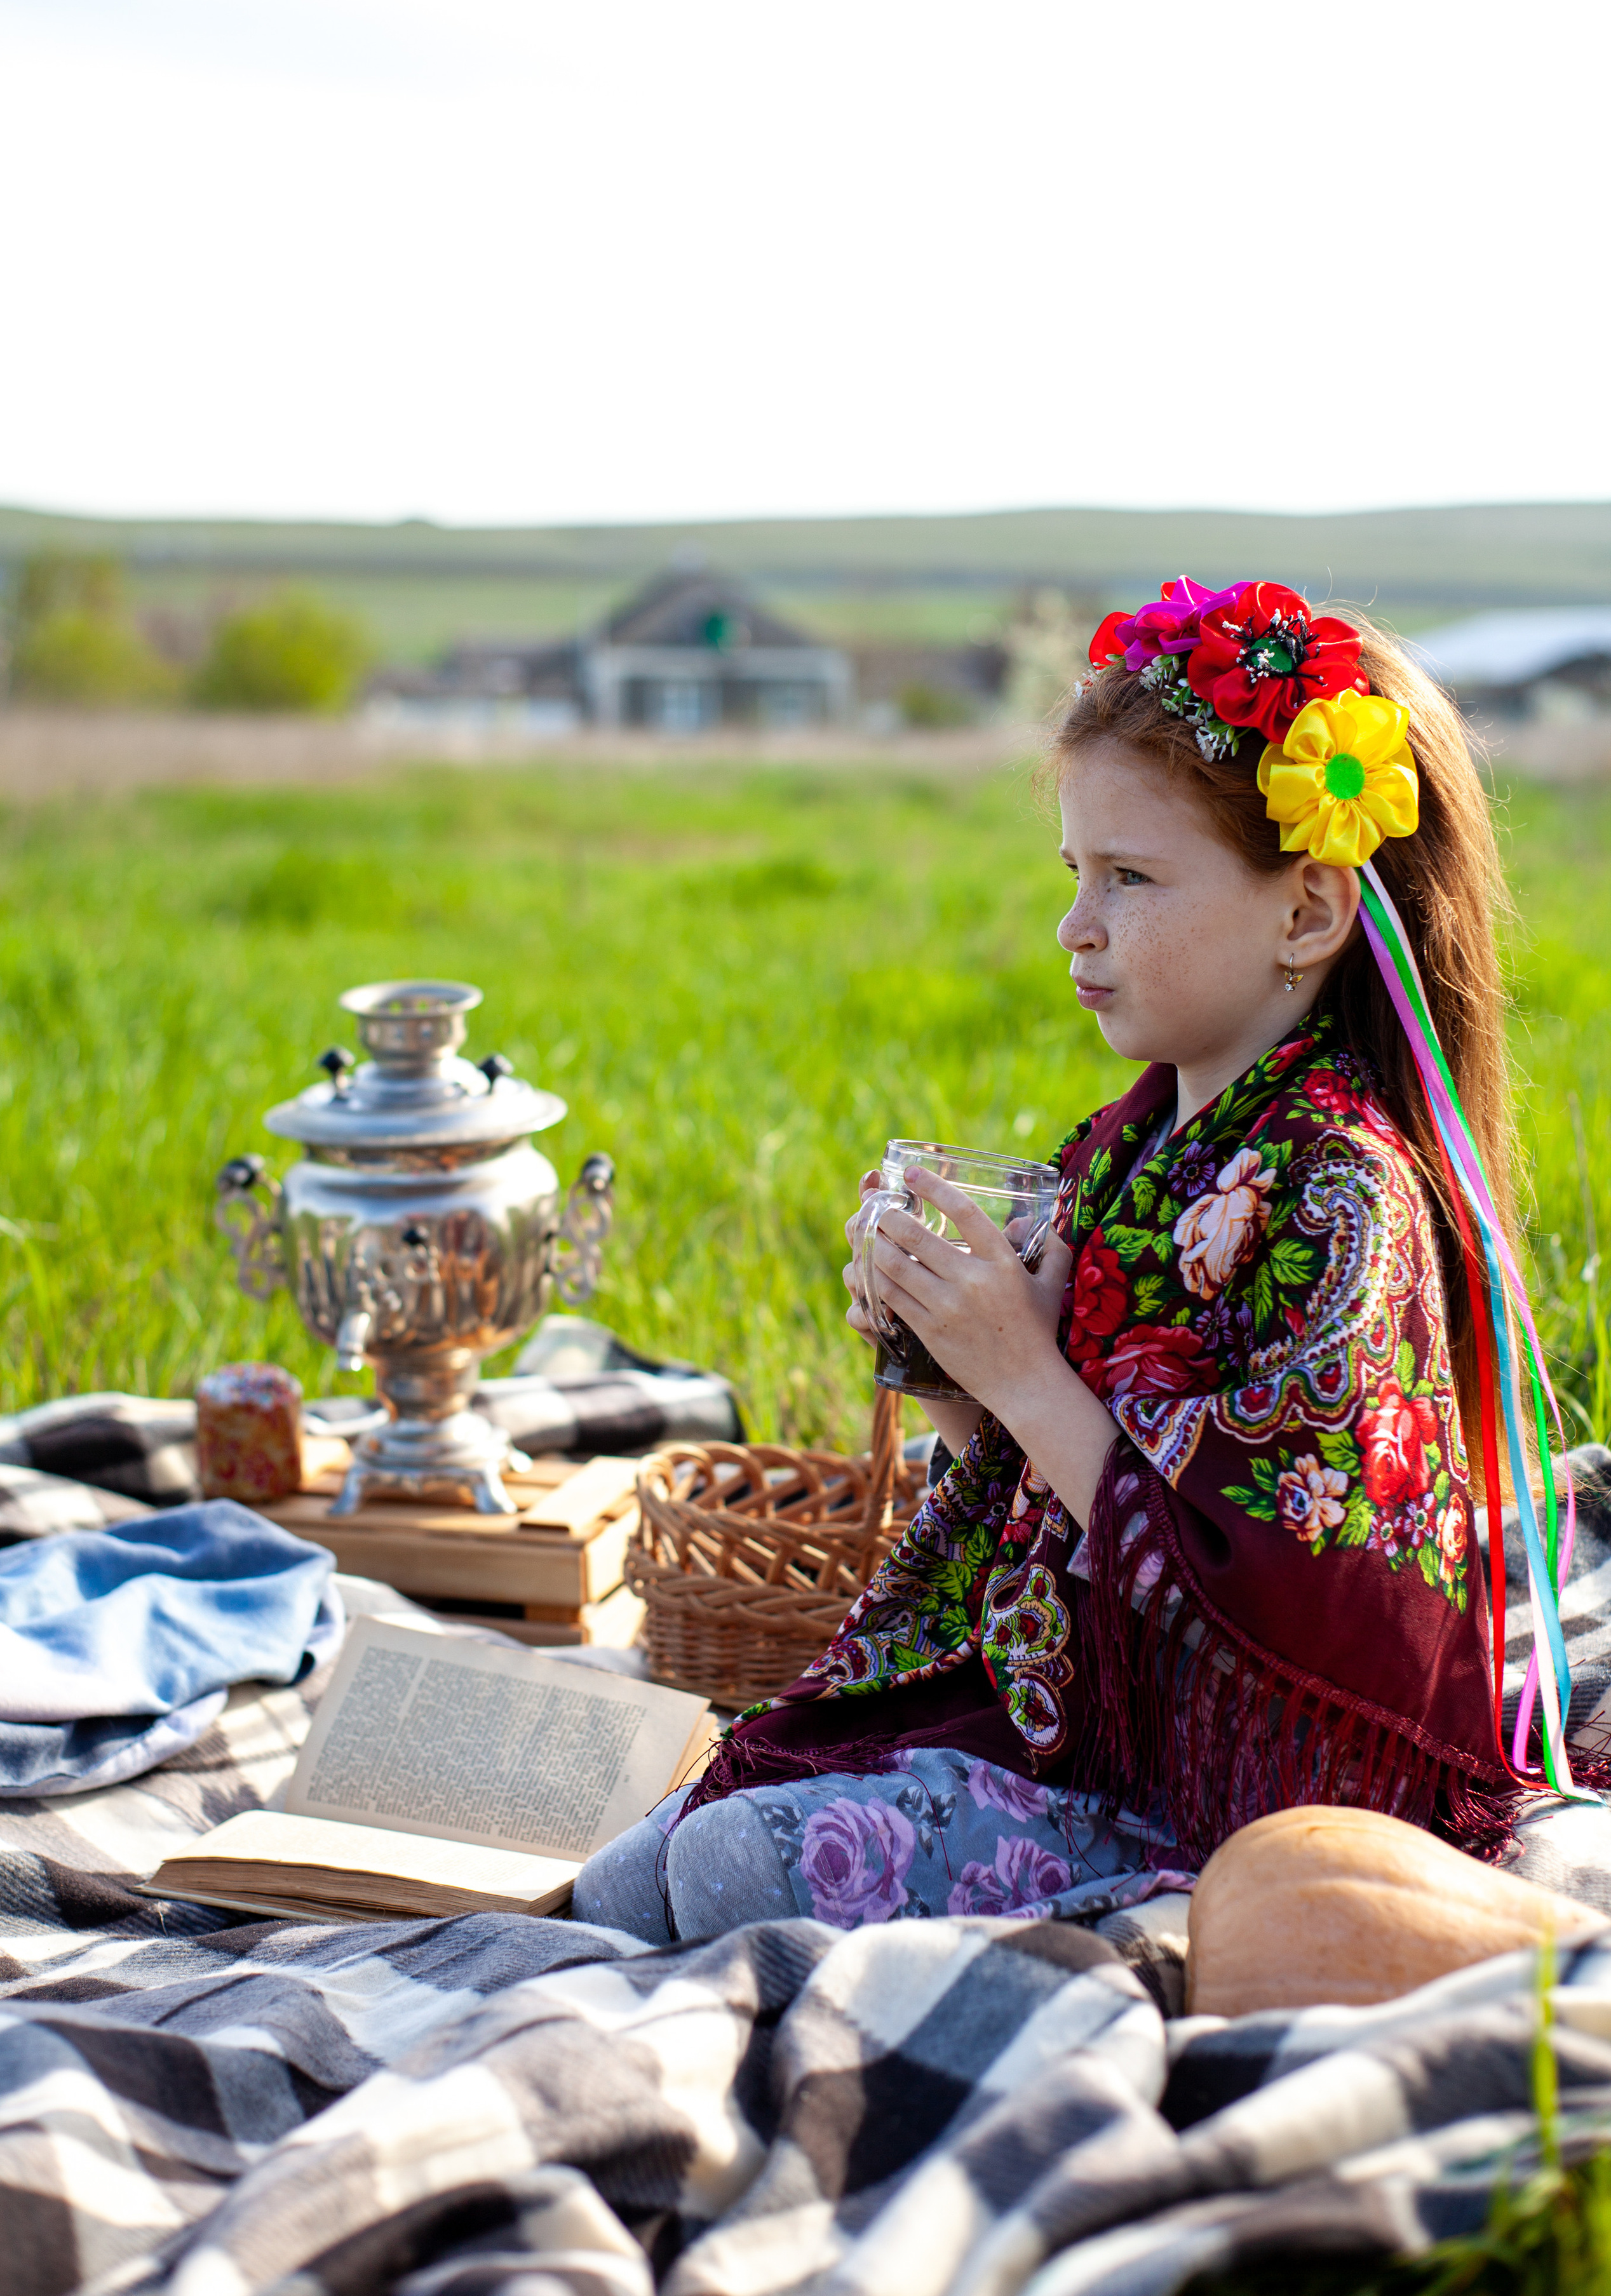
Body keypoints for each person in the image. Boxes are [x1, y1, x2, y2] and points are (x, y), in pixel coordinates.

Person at [574, 580, 1563, 1947]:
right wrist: (946, 1364)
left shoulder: (1341, 1192)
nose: (1074, 928)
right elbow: (1049, 1486)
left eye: (1131, 879)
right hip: (1076, 1708)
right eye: (1073, 875)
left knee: (726, 1872)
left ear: (1307, 912)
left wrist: (1022, 1370)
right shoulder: (1130, 1143)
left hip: (1224, 1787)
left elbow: (1286, 1624)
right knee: (628, 1876)